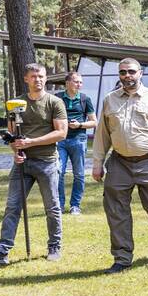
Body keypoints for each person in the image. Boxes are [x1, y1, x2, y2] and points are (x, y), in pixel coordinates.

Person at [90, 58, 148, 274]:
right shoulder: (109, 100)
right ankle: (122, 257)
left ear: (140, 73)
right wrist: (98, 164)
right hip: (119, 163)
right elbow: (102, 135)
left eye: (131, 72)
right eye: (123, 72)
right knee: (116, 211)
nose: (127, 76)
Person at [0, 63, 68, 266]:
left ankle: (54, 246)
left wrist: (31, 142)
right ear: (26, 79)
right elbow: (12, 137)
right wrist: (17, 151)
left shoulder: (55, 102)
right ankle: (1, 251)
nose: (38, 80)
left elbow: (61, 133)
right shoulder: (16, 104)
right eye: (34, 76)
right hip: (22, 164)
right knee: (12, 207)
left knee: (52, 207)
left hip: (47, 162)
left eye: (41, 76)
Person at [56, 71, 97, 214]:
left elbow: (93, 122)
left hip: (78, 140)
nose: (79, 84)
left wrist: (79, 125)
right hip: (60, 140)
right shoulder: (57, 98)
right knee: (58, 172)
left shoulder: (85, 99)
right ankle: (59, 205)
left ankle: (75, 206)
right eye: (76, 81)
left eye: (80, 82)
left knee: (79, 174)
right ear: (67, 83)